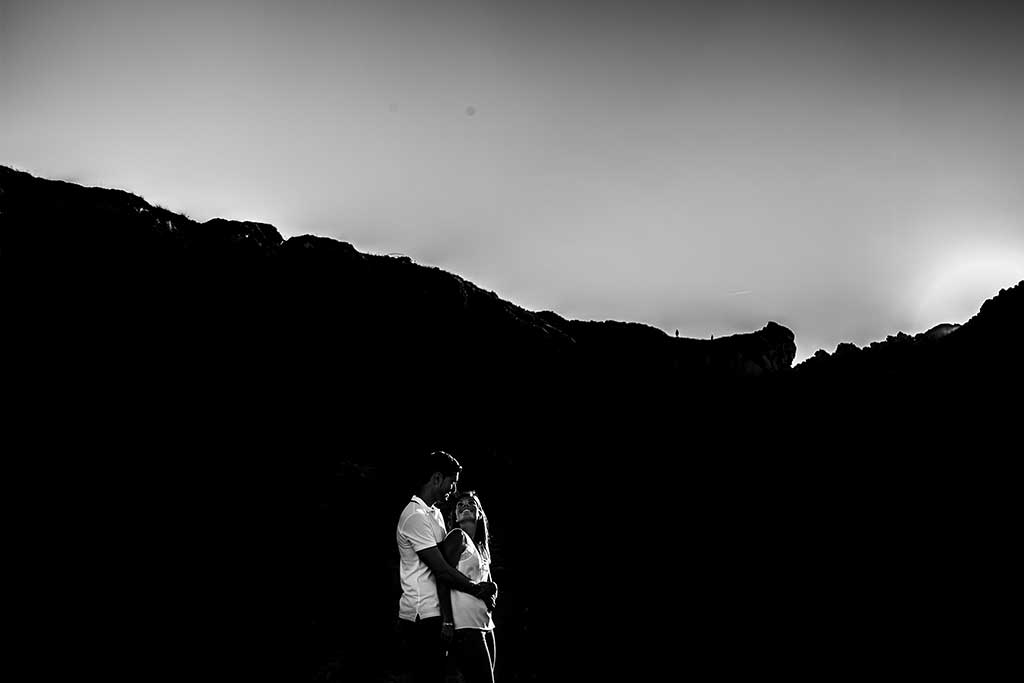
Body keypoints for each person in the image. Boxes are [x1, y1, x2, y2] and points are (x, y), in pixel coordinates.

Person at [396, 451, 497, 683]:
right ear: (437, 478)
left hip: (438, 613)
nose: (453, 489)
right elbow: (441, 570)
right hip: (421, 616)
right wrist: (476, 589)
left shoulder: (436, 515)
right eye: (452, 482)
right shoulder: (415, 516)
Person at [440, 491, 498, 683]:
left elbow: (486, 583)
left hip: (486, 625)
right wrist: (447, 621)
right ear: (455, 516)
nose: (465, 505)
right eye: (460, 504)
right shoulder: (457, 537)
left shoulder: (481, 548)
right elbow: (442, 578)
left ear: (479, 513)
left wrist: (493, 588)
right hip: (465, 626)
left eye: (471, 503)